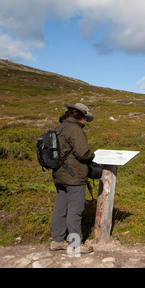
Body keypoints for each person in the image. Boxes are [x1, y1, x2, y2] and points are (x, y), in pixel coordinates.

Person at [49, 103, 95, 254]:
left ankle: (57, 241)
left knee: (60, 208)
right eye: (85, 119)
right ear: (81, 116)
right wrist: (92, 155)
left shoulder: (58, 128)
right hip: (74, 176)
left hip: (59, 174)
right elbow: (83, 154)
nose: (85, 122)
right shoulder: (75, 130)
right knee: (75, 210)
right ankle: (75, 244)